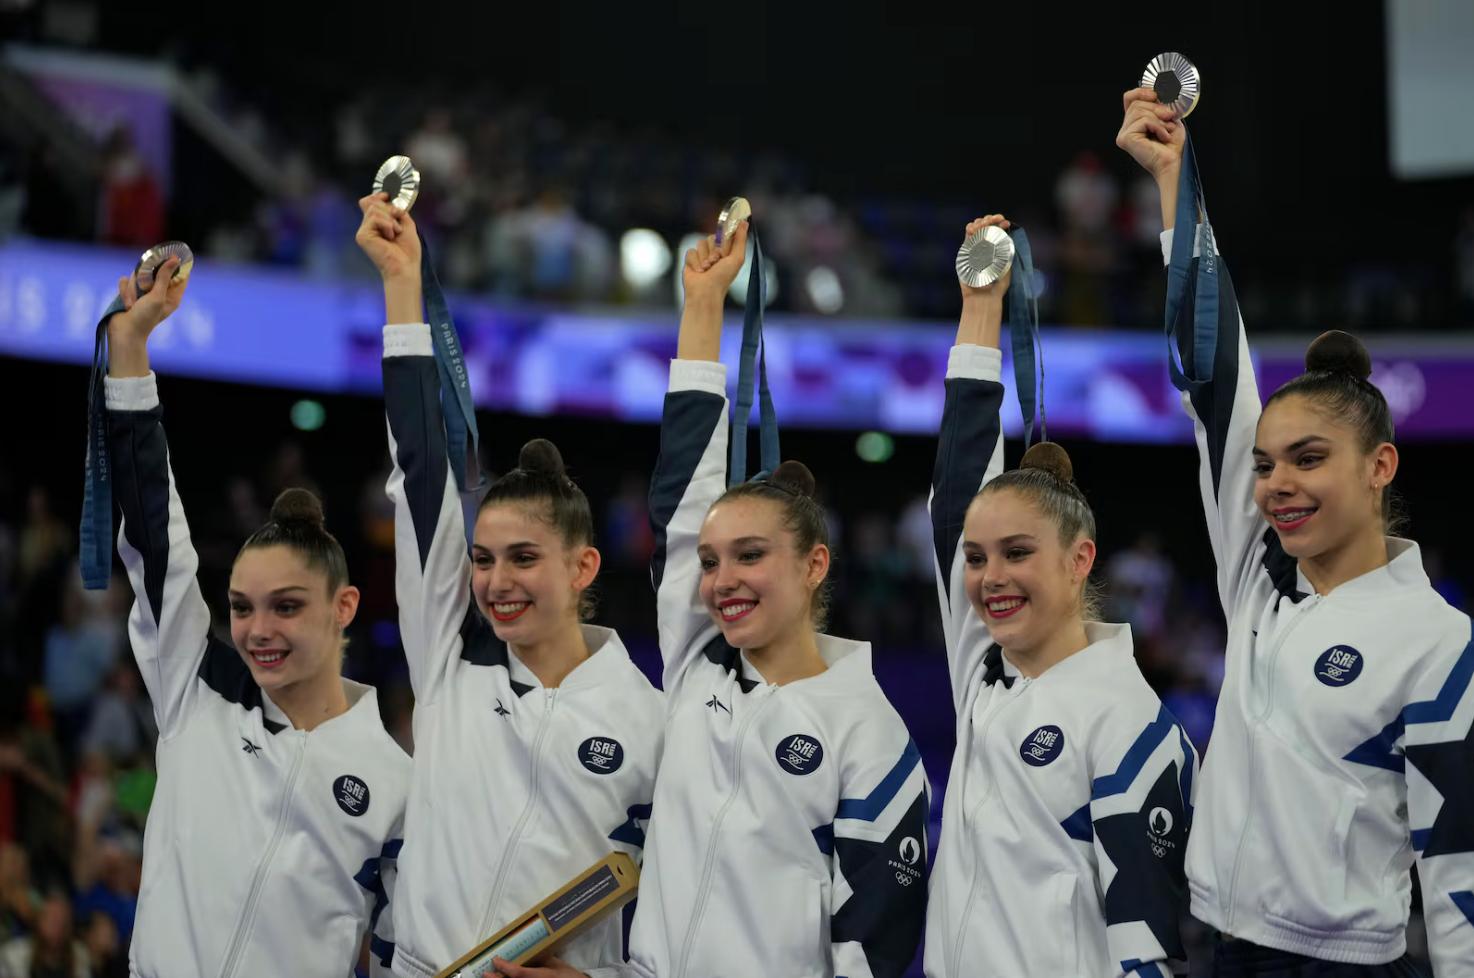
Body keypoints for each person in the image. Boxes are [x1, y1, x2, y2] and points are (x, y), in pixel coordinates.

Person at [1118, 85, 1474, 977]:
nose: (1276, 485)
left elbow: (1459, 859)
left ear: (1379, 467)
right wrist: (1174, 179)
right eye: (1268, 464)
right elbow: (1215, 371)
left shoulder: (1435, 637)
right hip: (1225, 949)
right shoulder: (1257, 573)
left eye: (1308, 460)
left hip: (1348, 965)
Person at [354, 193, 664, 977]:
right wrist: (402, 285)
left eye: (523, 558)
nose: (496, 582)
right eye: (484, 560)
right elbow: (420, 475)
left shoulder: (654, 720)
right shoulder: (446, 664)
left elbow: (687, 909)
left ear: (582, 566)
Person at [98, 257, 409, 976]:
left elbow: (409, 956)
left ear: (344, 608)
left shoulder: (396, 783)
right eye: (240, 607)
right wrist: (130, 353)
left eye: (286, 607)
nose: (257, 631)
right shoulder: (194, 688)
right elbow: (155, 540)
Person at [923, 215, 1197, 978]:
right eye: (977, 560)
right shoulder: (985, 670)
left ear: (1080, 560)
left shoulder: (1129, 723)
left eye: (1017, 554)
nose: (988, 578)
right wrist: (981, 306)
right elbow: (956, 496)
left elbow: (1151, 952)